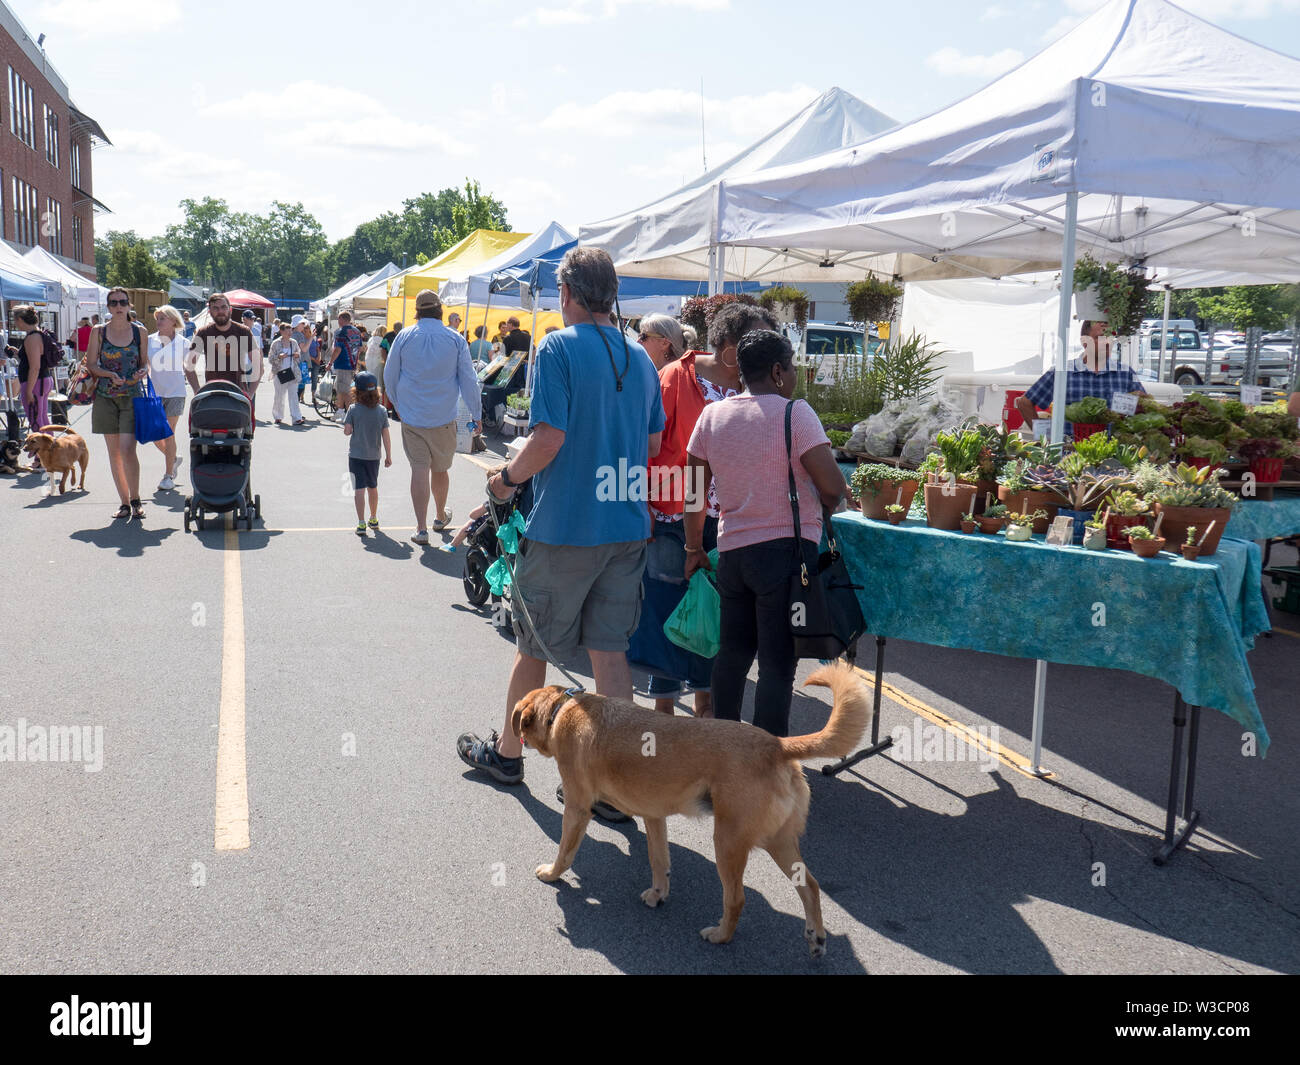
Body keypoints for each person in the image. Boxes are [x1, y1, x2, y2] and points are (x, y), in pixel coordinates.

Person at [456, 247, 664, 800]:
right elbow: (652, 443)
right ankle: (618, 786)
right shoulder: (641, 358)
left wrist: (505, 478)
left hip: (568, 525)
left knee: (534, 647)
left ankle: (507, 754)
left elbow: (549, 439)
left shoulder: (557, 347)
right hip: (627, 522)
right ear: (613, 294)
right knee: (609, 653)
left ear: (567, 294)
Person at [685, 329, 850, 737]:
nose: (795, 374)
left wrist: (693, 547)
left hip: (732, 554)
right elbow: (832, 488)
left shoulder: (712, 415)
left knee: (733, 654)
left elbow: (692, 493)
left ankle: (721, 750)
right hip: (786, 556)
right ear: (777, 371)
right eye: (792, 365)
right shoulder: (796, 414)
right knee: (777, 662)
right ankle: (766, 763)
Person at [630, 302, 777, 718]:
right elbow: (647, 450)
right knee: (668, 615)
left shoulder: (759, 386)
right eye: (753, 340)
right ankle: (662, 719)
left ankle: (706, 715)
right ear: (728, 343)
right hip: (675, 519)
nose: (762, 351)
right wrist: (645, 509)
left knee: (714, 621)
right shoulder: (677, 377)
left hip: (734, 526)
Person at [383, 289, 481, 544]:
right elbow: (469, 380)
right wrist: (477, 413)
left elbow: (389, 376)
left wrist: (398, 405)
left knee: (418, 468)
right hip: (444, 417)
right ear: (440, 310)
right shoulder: (455, 339)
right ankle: (439, 516)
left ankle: (421, 528)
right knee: (440, 469)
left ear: (417, 310)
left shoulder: (404, 336)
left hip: (412, 416)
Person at [86, 287, 151, 520]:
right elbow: (91, 364)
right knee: (114, 453)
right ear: (108, 306)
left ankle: (136, 499)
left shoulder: (139, 332)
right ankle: (124, 503)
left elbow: (145, 364)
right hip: (105, 397)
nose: (118, 306)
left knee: (127, 450)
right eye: (113, 303)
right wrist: (108, 374)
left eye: (122, 302)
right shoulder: (99, 332)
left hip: (132, 396)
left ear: (129, 304)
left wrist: (141, 372)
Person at [1016, 320, 1147, 430]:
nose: (1106, 342)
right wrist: (1044, 436)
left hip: (1112, 455)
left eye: (1110, 337)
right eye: (1099, 338)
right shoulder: (1062, 372)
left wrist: (1138, 405)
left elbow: (1145, 406)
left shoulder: (1125, 373)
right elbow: (1024, 403)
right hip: (1070, 453)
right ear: (1084, 342)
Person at [186, 292, 262, 418]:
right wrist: (197, 391)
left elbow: (258, 365)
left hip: (238, 395)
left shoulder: (243, 331)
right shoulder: (203, 332)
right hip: (211, 394)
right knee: (206, 434)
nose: (220, 311)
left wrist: (250, 394)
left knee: (241, 435)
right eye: (215, 308)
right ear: (209, 311)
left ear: (230, 309)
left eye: (223, 307)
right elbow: (188, 365)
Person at [343, 372, 392, 535]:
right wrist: (388, 455)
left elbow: (347, 432)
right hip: (374, 456)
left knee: (359, 489)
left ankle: (361, 522)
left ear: (357, 391)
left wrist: (349, 425)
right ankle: (373, 517)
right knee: (373, 487)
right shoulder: (382, 411)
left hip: (356, 455)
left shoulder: (353, 409)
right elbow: (386, 435)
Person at [147, 305, 190, 490]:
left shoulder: (184, 343)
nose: (158, 321)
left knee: (168, 432)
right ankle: (172, 459)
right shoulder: (148, 341)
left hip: (176, 392)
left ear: (173, 321)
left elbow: (190, 368)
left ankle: (168, 476)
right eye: (157, 318)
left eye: (163, 318)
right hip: (155, 392)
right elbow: (143, 363)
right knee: (154, 434)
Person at [14, 305, 57, 443]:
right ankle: (51, 451)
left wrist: (28, 390)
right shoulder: (39, 334)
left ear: (20, 319)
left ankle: (41, 456)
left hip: (35, 381)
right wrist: (16, 352)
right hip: (43, 380)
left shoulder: (32, 338)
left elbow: (34, 367)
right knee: (42, 418)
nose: (15, 323)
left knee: (36, 420)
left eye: (15, 320)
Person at [268, 322, 305, 425]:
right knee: (279, 396)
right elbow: (270, 359)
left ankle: (297, 417)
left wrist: (297, 356)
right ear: (281, 331)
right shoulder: (275, 343)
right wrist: (279, 357)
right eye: (287, 331)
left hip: (292, 372)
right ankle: (278, 416)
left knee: (293, 395)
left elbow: (299, 355)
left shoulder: (294, 342)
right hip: (279, 373)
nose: (289, 333)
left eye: (290, 330)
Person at [331, 310, 363, 420]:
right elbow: (359, 349)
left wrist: (330, 362)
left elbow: (337, 350)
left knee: (345, 390)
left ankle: (348, 414)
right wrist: (356, 362)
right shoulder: (357, 332)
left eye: (339, 319)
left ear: (342, 319)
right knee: (342, 389)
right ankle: (341, 411)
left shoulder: (340, 332)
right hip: (352, 364)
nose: (338, 321)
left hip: (343, 363)